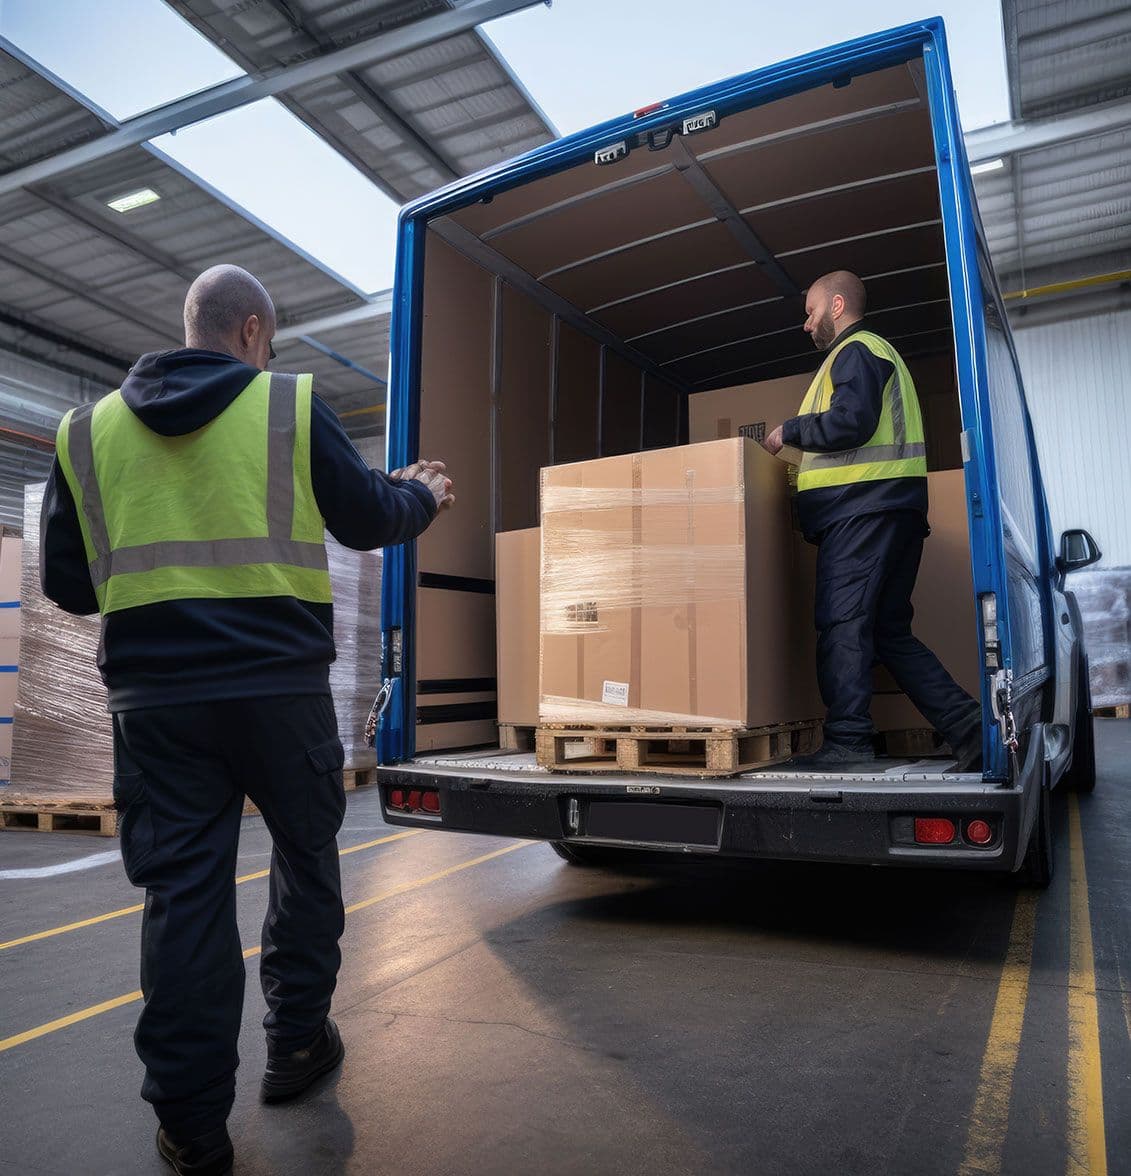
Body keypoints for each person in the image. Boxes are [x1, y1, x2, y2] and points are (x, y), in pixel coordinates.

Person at [40, 265, 453, 1176]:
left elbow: (69, 585)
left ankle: (191, 1127)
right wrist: (420, 492)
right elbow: (366, 518)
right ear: (255, 331)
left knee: (183, 896)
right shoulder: (289, 406)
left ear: (191, 326)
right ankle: (297, 1045)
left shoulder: (83, 432)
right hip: (279, 694)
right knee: (305, 862)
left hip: (156, 708)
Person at [762, 269, 981, 772]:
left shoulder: (855, 351)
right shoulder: (876, 354)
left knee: (842, 623)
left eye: (810, 311)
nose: (807, 323)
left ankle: (848, 741)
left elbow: (851, 423)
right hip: (890, 511)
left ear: (837, 306)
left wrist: (789, 431)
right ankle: (968, 729)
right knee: (886, 633)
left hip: (864, 512)